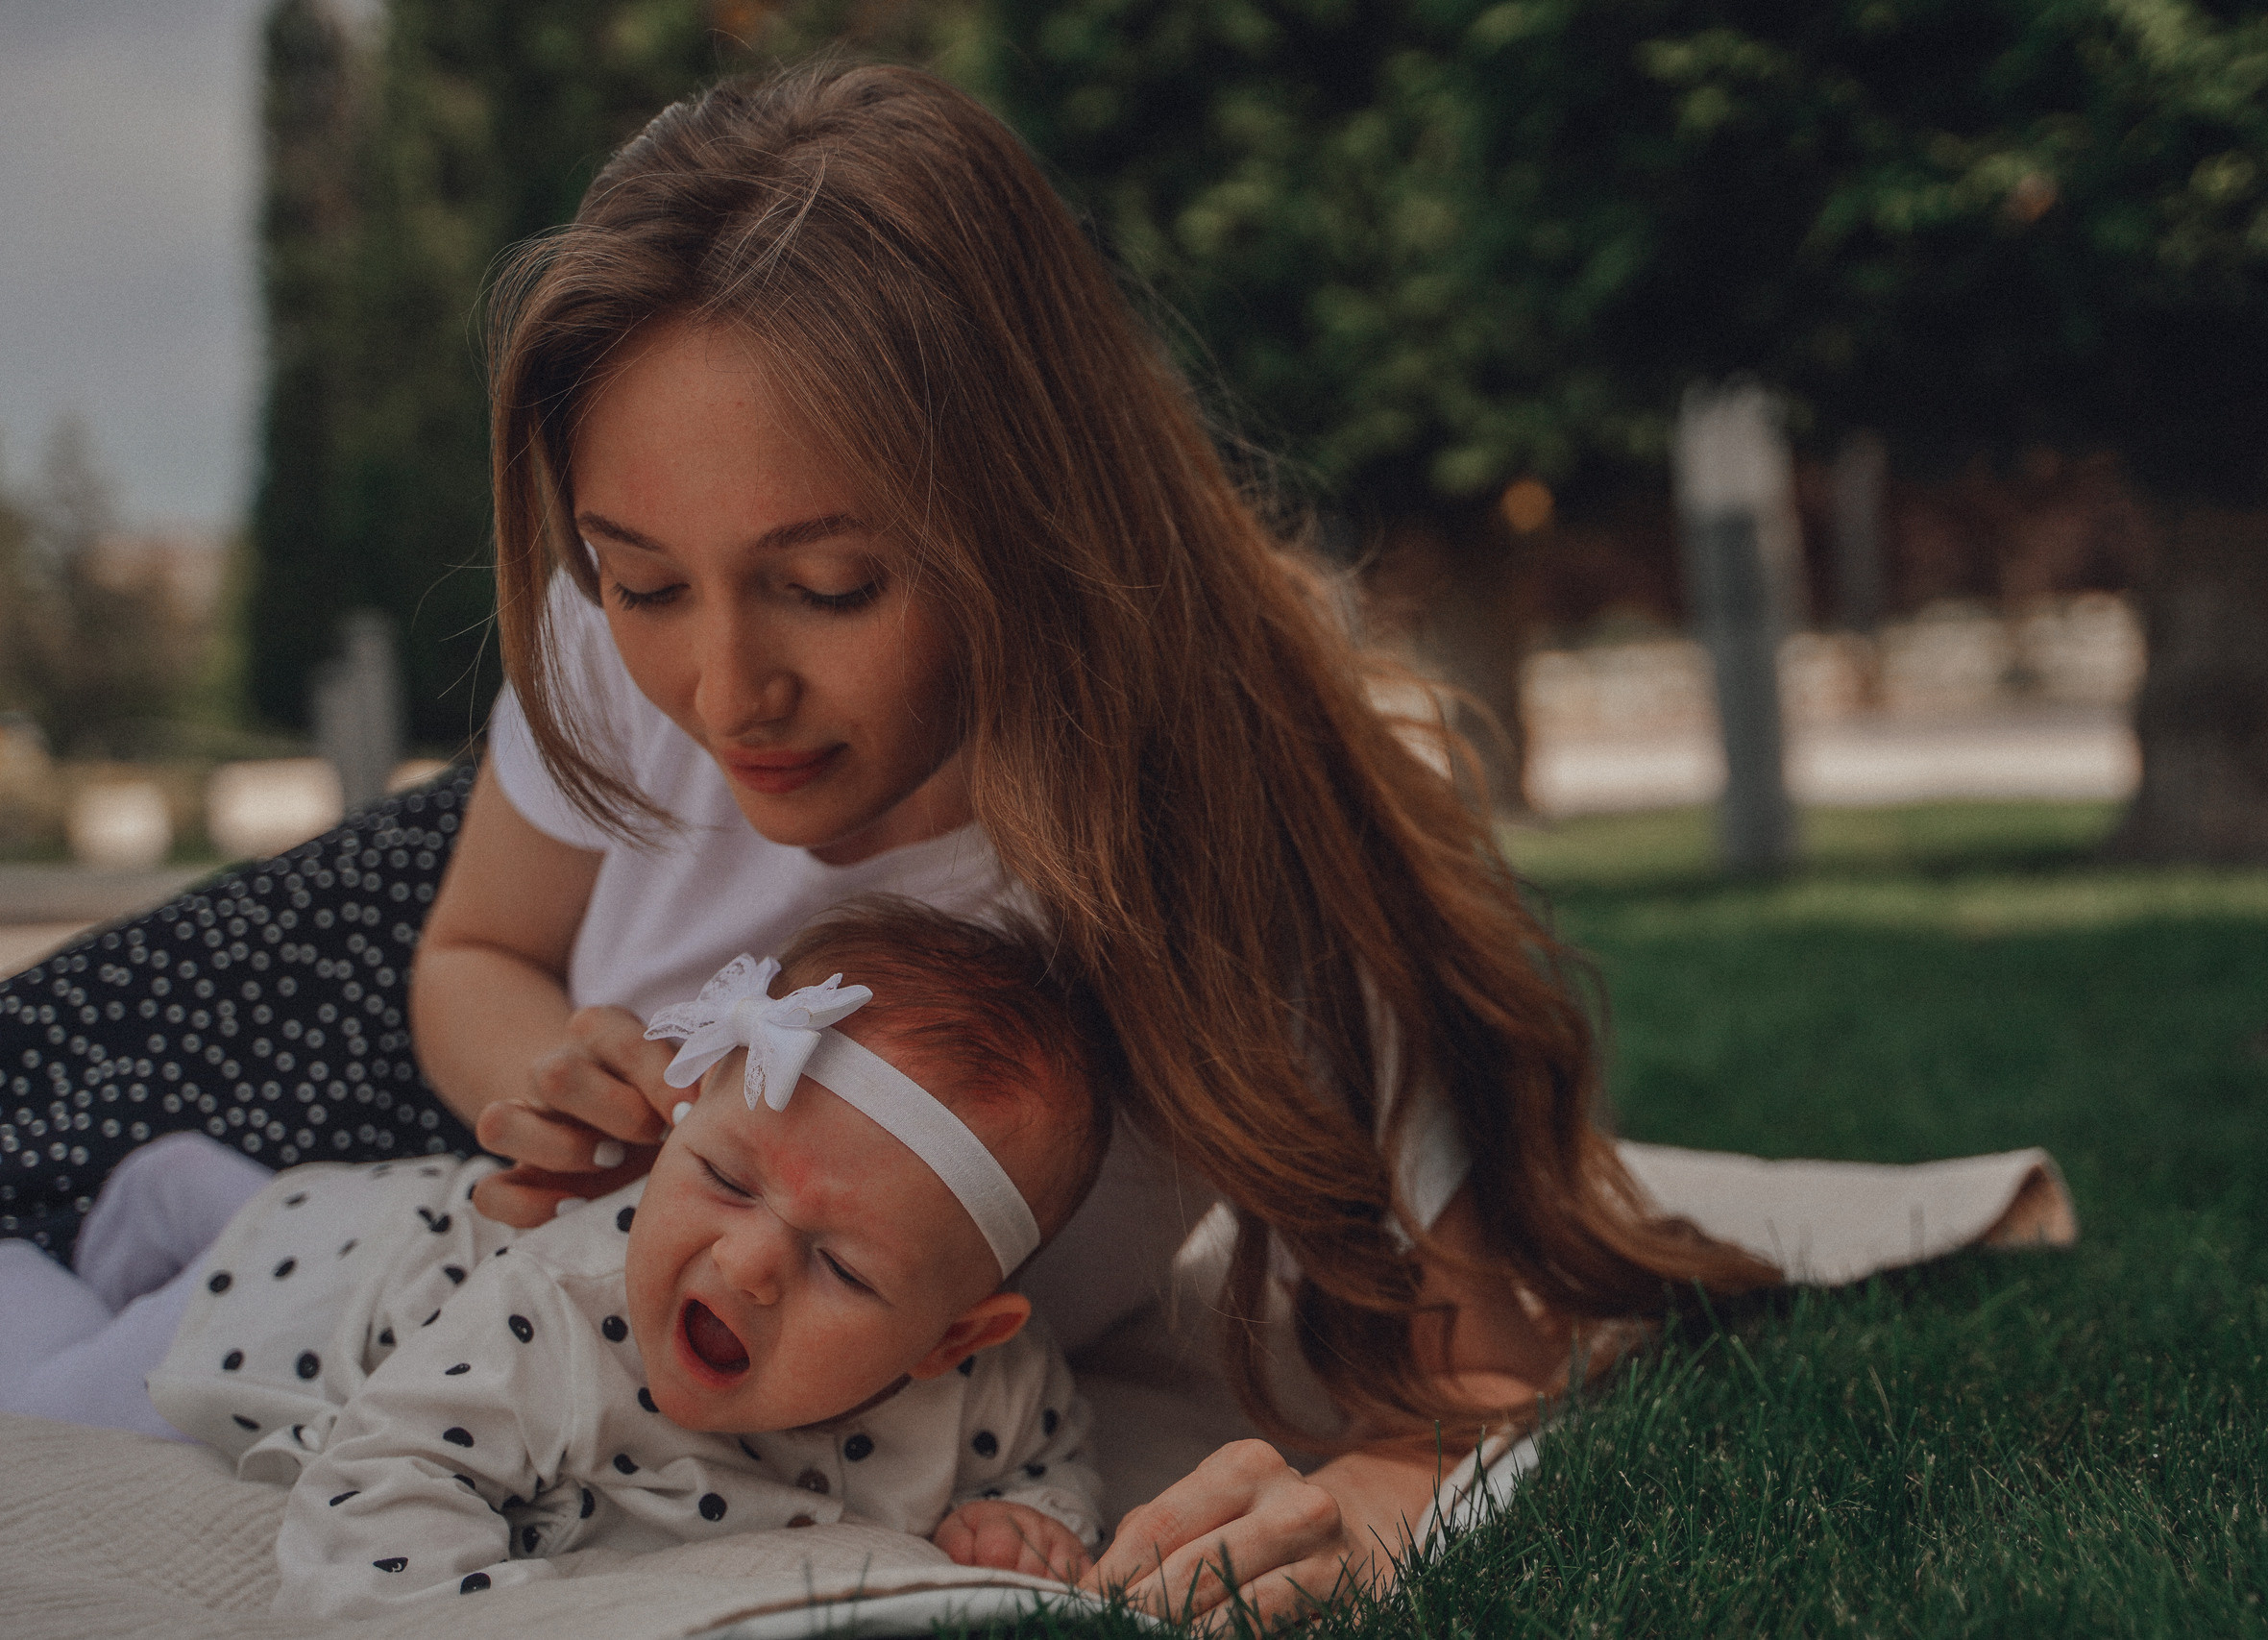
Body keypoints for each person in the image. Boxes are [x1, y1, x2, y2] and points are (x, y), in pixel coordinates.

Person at [0, 57, 1780, 1626]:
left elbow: (1481, 1370)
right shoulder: (630, 680)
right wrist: (541, 1081)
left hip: (606, 1277)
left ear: (1030, 519)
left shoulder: (1245, 855)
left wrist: (1377, 1510)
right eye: (635, 579)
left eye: (829, 584)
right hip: (487, 1072)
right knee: (49, 1116)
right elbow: (477, 950)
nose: (722, 689)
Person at [1, 904, 1114, 1617]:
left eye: (845, 1268)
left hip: (400, 1221)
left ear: (956, 1336)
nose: (749, 1262)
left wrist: (1035, 1521)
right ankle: (131, 1222)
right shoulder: (560, 1319)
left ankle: (183, 1188)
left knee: (264, 1204)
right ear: (678, 1129)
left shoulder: (994, 1390)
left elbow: (1046, 1458)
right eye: (724, 1178)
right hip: (310, 1296)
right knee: (54, 1384)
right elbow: (382, 1484)